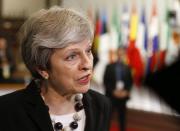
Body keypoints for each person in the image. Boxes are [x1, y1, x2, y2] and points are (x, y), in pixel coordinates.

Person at [0, 6, 112, 131]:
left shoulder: (101, 105)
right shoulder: (6, 111)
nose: (87, 64)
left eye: (88, 51)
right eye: (72, 56)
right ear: (42, 69)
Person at [103, 47, 133, 131]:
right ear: (117, 54)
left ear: (124, 55)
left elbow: (130, 82)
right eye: (119, 54)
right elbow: (105, 81)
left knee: (122, 120)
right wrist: (113, 91)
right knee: (107, 118)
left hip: (123, 98)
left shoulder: (128, 68)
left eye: (122, 54)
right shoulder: (109, 66)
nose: (120, 56)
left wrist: (126, 92)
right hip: (111, 96)